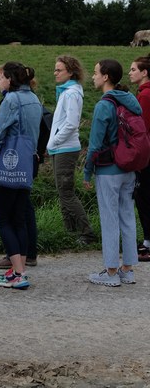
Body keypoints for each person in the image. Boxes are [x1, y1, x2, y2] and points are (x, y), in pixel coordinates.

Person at [84, 59, 140, 286]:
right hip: (129, 168)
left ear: (106, 76)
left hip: (108, 170)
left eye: (96, 72)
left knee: (109, 220)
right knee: (127, 217)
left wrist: (87, 171)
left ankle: (110, 272)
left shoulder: (104, 105)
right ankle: (128, 269)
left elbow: (95, 144)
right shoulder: (130, 100)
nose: (93, 76)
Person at [0, 62, 42, 289]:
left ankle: (19, 273)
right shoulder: (34, 99)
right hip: (28, 162)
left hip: (10, 164)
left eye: (0, 77)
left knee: (4, 219)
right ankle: (19, 268)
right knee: (19, 218)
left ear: (9, 79)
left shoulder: (11, 100)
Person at [47, 55, 96, 245]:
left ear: (70, 72)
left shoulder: (71, 94)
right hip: (60, 148)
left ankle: (87, 233)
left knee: (66, 192)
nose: (55, 73)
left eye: (59, 70)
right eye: (55, 69)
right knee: (63, 191)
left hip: (65, 148)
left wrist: (54, 142)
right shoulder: (67, 91)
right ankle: (70, 232)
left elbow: (71, 123)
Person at [128, 54, 150, 261]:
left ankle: (148, 243)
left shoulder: (145, 95)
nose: (130, 73)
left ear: (144, 73)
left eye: (133, 69)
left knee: (144, 197)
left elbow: (142, 129)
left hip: (147, 156)